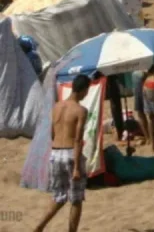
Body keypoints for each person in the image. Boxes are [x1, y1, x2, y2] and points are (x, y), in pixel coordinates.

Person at [34, 74, 90, 232]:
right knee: (76, 199)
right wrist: (77, 168)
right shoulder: (80, 110)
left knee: (58, 196)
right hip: (71, 154)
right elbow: (78, 140)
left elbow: (52, 133)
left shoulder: (57, 107)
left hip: (55, 153)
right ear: (83, 90)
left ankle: (39, 226)